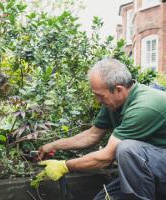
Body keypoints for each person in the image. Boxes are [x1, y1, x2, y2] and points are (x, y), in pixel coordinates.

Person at [38, 58, 166, 200]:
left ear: (118, 90)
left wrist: (64, 165)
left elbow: (106, 157)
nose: (98, 101)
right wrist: (54, 145)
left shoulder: (144, 107)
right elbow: (93, 135)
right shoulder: (114, 102)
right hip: (149, 170)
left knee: (126, 149)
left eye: (100, 96)